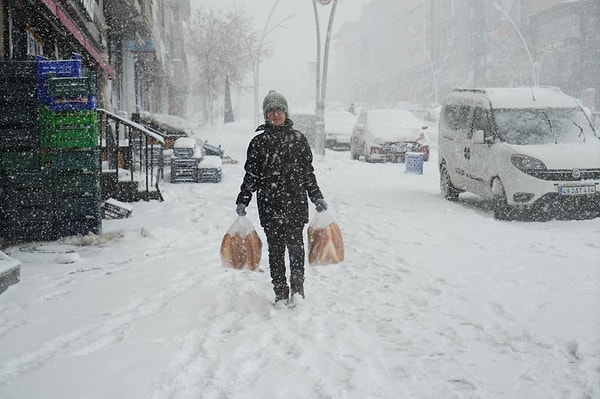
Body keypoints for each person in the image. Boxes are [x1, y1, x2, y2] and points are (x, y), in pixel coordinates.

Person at [236, 90, 328, 305]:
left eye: (279, 110)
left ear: (286, 112)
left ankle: (297, 290)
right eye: (271, 111)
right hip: (269, 206)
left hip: (295, 205)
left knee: (296, 249)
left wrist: (316, 196)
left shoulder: (298, 140)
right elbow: (252, 175)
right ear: (266, 115)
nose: (275, 114)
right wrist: (243, 199)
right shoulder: (258, 143)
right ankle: (280, 291)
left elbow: (307, 173)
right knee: (276, 251)